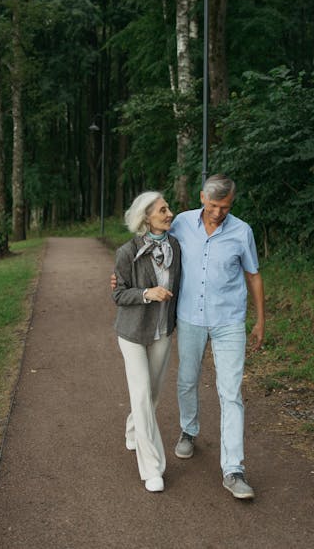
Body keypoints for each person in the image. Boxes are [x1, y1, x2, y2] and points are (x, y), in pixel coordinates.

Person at [170, 174, 265, 500]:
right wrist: (123, 274)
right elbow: (151, 240)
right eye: (213, 206)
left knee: (231, 394)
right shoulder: (180, 223)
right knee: (186, 380)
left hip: (229, 322)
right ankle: (188, 430)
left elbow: (253, 275)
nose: (218, 213)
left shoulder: (242, 231)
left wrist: (260, 321)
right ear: (202, 198)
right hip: (190, 318)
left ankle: (233, 469)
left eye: (225, 207)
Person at [112, 191, 181, 493]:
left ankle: (132, 430)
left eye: (168, 209)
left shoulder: (176, 246)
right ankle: (152, 468)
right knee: (141, 395)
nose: (169, 214)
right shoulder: (127, 252)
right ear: (146, 218)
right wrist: (146, 293)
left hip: (163, 331)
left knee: (151, 396)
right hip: (133, 334)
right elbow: (118, 294)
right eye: (162, 210)